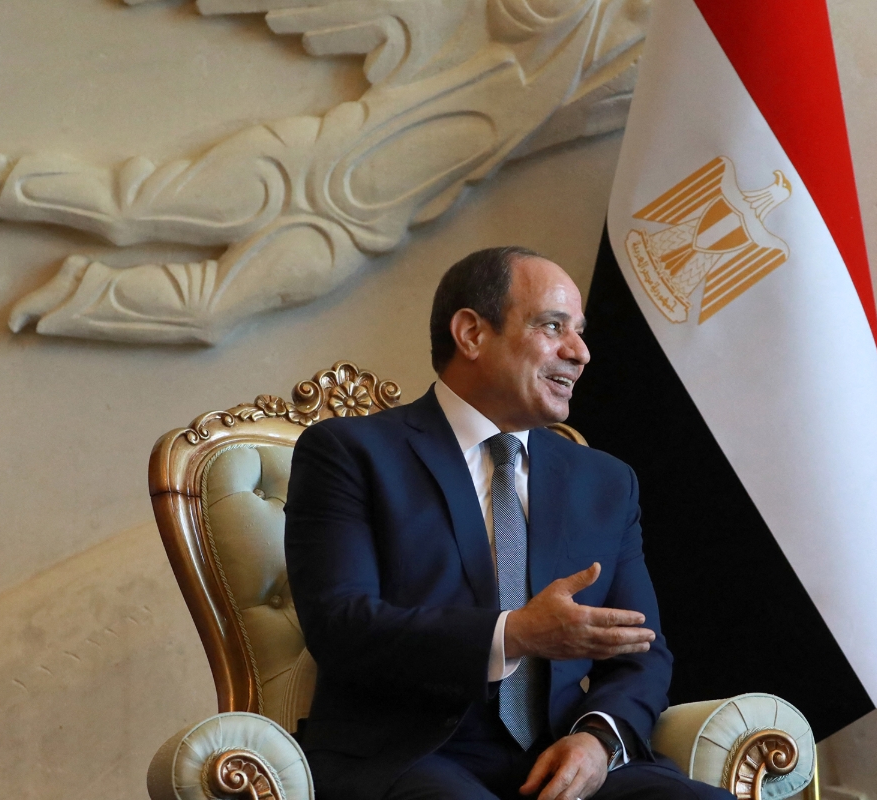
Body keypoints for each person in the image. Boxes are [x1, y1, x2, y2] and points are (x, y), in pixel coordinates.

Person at [284, 246, 733, 800]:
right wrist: (514, 634)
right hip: (408, 752)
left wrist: (597, 739)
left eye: (580, 332)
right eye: (553, 326)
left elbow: (641, 651)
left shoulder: (605, 482)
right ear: (471, 334)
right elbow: (340, 627)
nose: (580, 353)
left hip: (561, 755)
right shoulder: (351, 454)